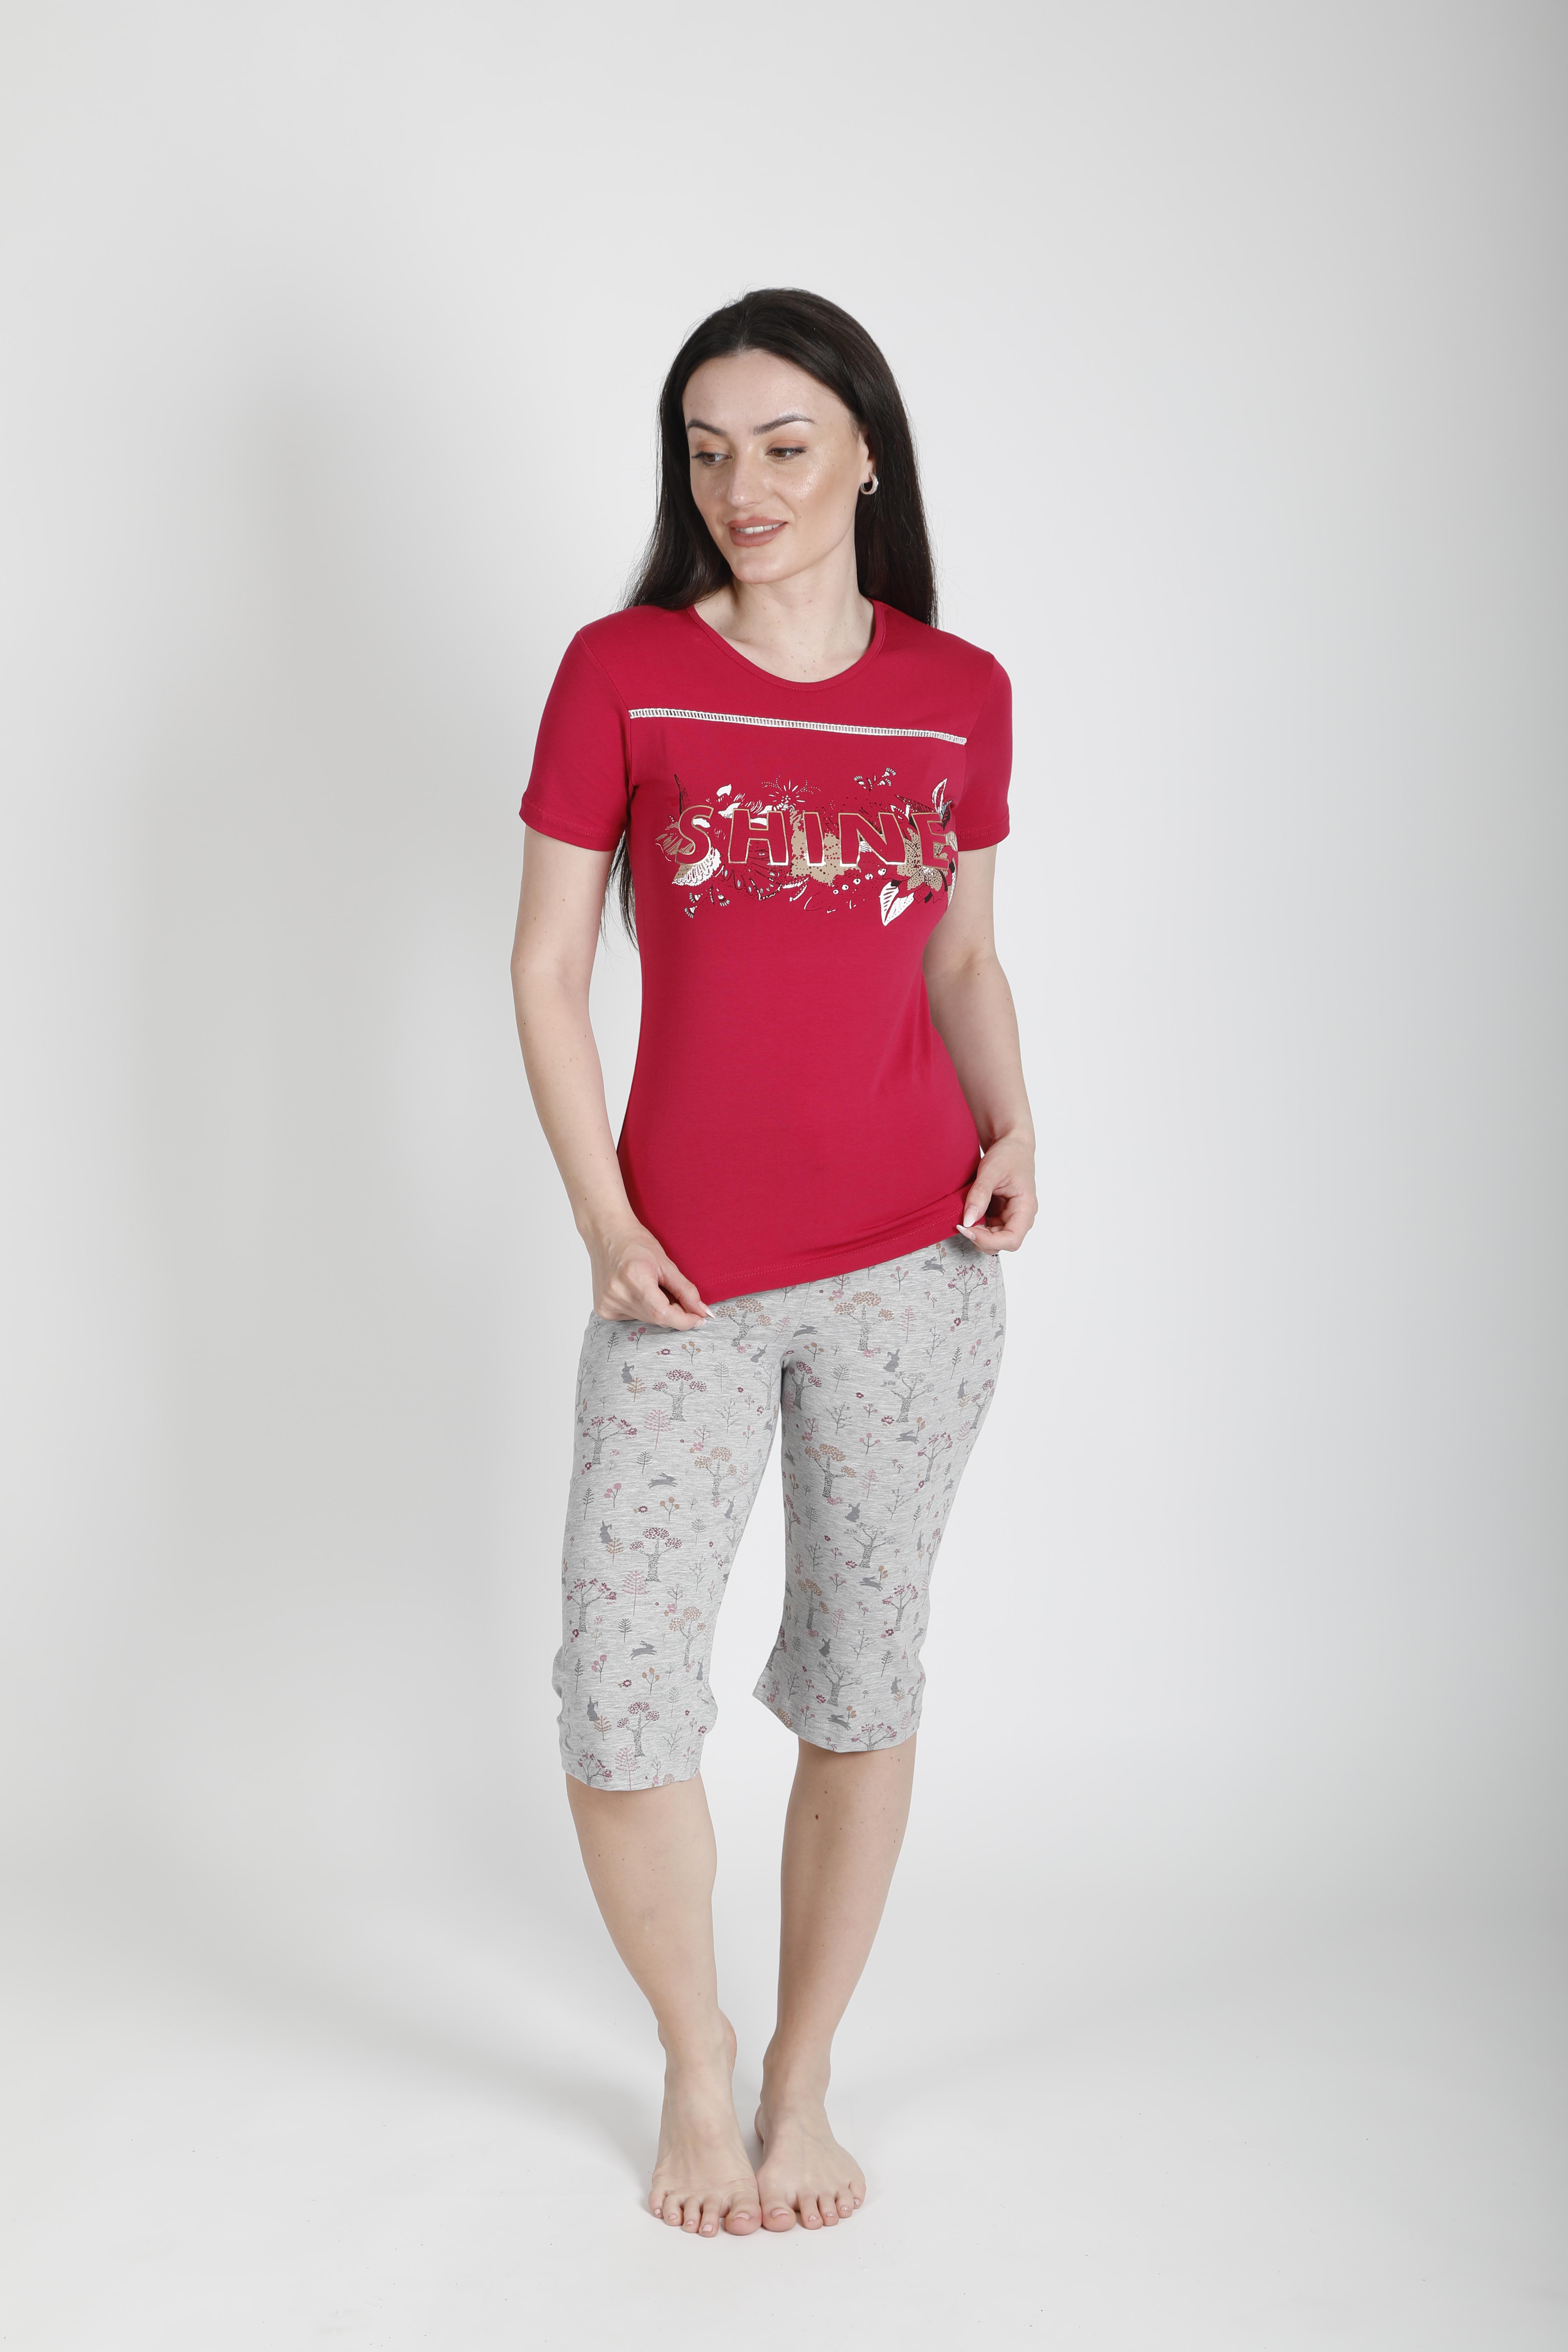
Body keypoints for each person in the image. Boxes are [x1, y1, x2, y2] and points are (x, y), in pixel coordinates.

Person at [510, 288, 1035, 2237]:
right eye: (709, 450)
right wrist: (606, 1220)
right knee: (621, 1683)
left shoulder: (959, 689)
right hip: (683, 1284)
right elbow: (547, 969)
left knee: (860, 1677)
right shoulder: (625, 669)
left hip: (915, 1267)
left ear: (867, 453)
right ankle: (694, 2056)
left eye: (786, 445)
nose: (744, 484)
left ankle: (803, 2078)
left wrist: (1019, 1123)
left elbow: (962, 955)